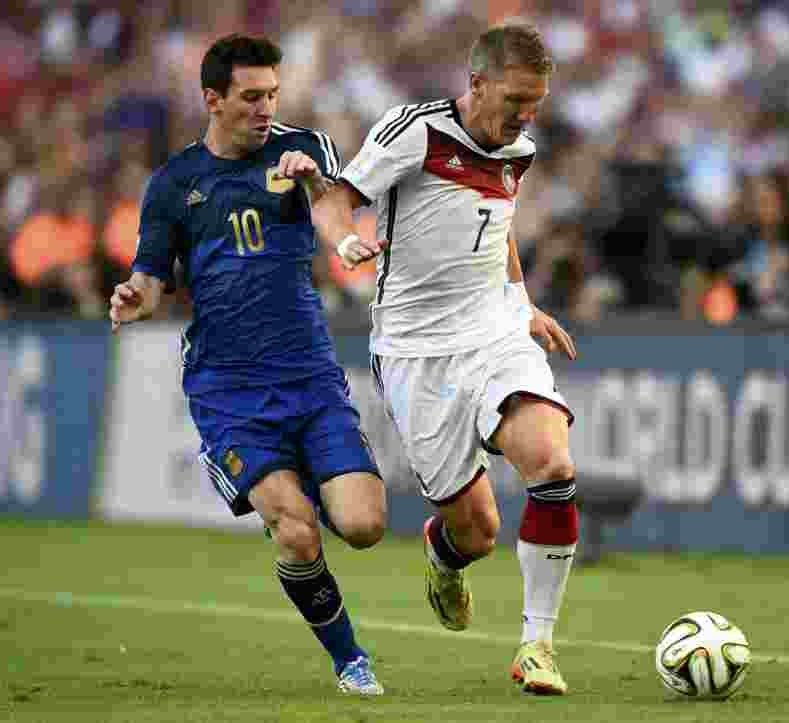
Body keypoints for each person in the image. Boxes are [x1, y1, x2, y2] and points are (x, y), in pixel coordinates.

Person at [108, 34, 386, 696]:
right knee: (297, 530)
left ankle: (305, 502)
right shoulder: (175, 184)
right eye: (252, 97)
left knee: (364, 525)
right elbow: (151, 279)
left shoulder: (303, 151)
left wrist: (341, 235)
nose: (266, 109)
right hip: (229, 388)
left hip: (309, 376)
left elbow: (328, 205)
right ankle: (349, 658)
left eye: (273, 95)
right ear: (214, 99)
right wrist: (135, 299)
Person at [313, 21, 579, 695]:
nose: (526, 116)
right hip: (415, 352)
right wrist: (345, 242)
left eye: (536, 104)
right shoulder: (416, 132)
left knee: (551, 461)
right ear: (478, 84)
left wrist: (523, 304)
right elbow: (336, 199)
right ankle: (443, 552)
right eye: (516, 100)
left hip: (494, 333)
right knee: (477, 531)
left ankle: (538, 644)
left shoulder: (520, 149)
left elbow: (498, 226)